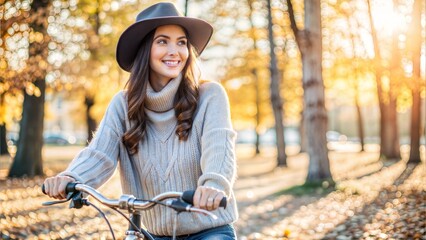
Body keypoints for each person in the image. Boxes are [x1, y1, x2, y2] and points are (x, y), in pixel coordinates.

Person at [43, 2, 238, 239]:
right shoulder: (123, 105)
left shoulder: (210, 96)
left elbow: (219, 149)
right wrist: (71, 177)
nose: (175, 51)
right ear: (145, 49)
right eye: (163, 41)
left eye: (182, 42)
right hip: (150, 232)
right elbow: (99, 153)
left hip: (209, 229)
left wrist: (213, 187)